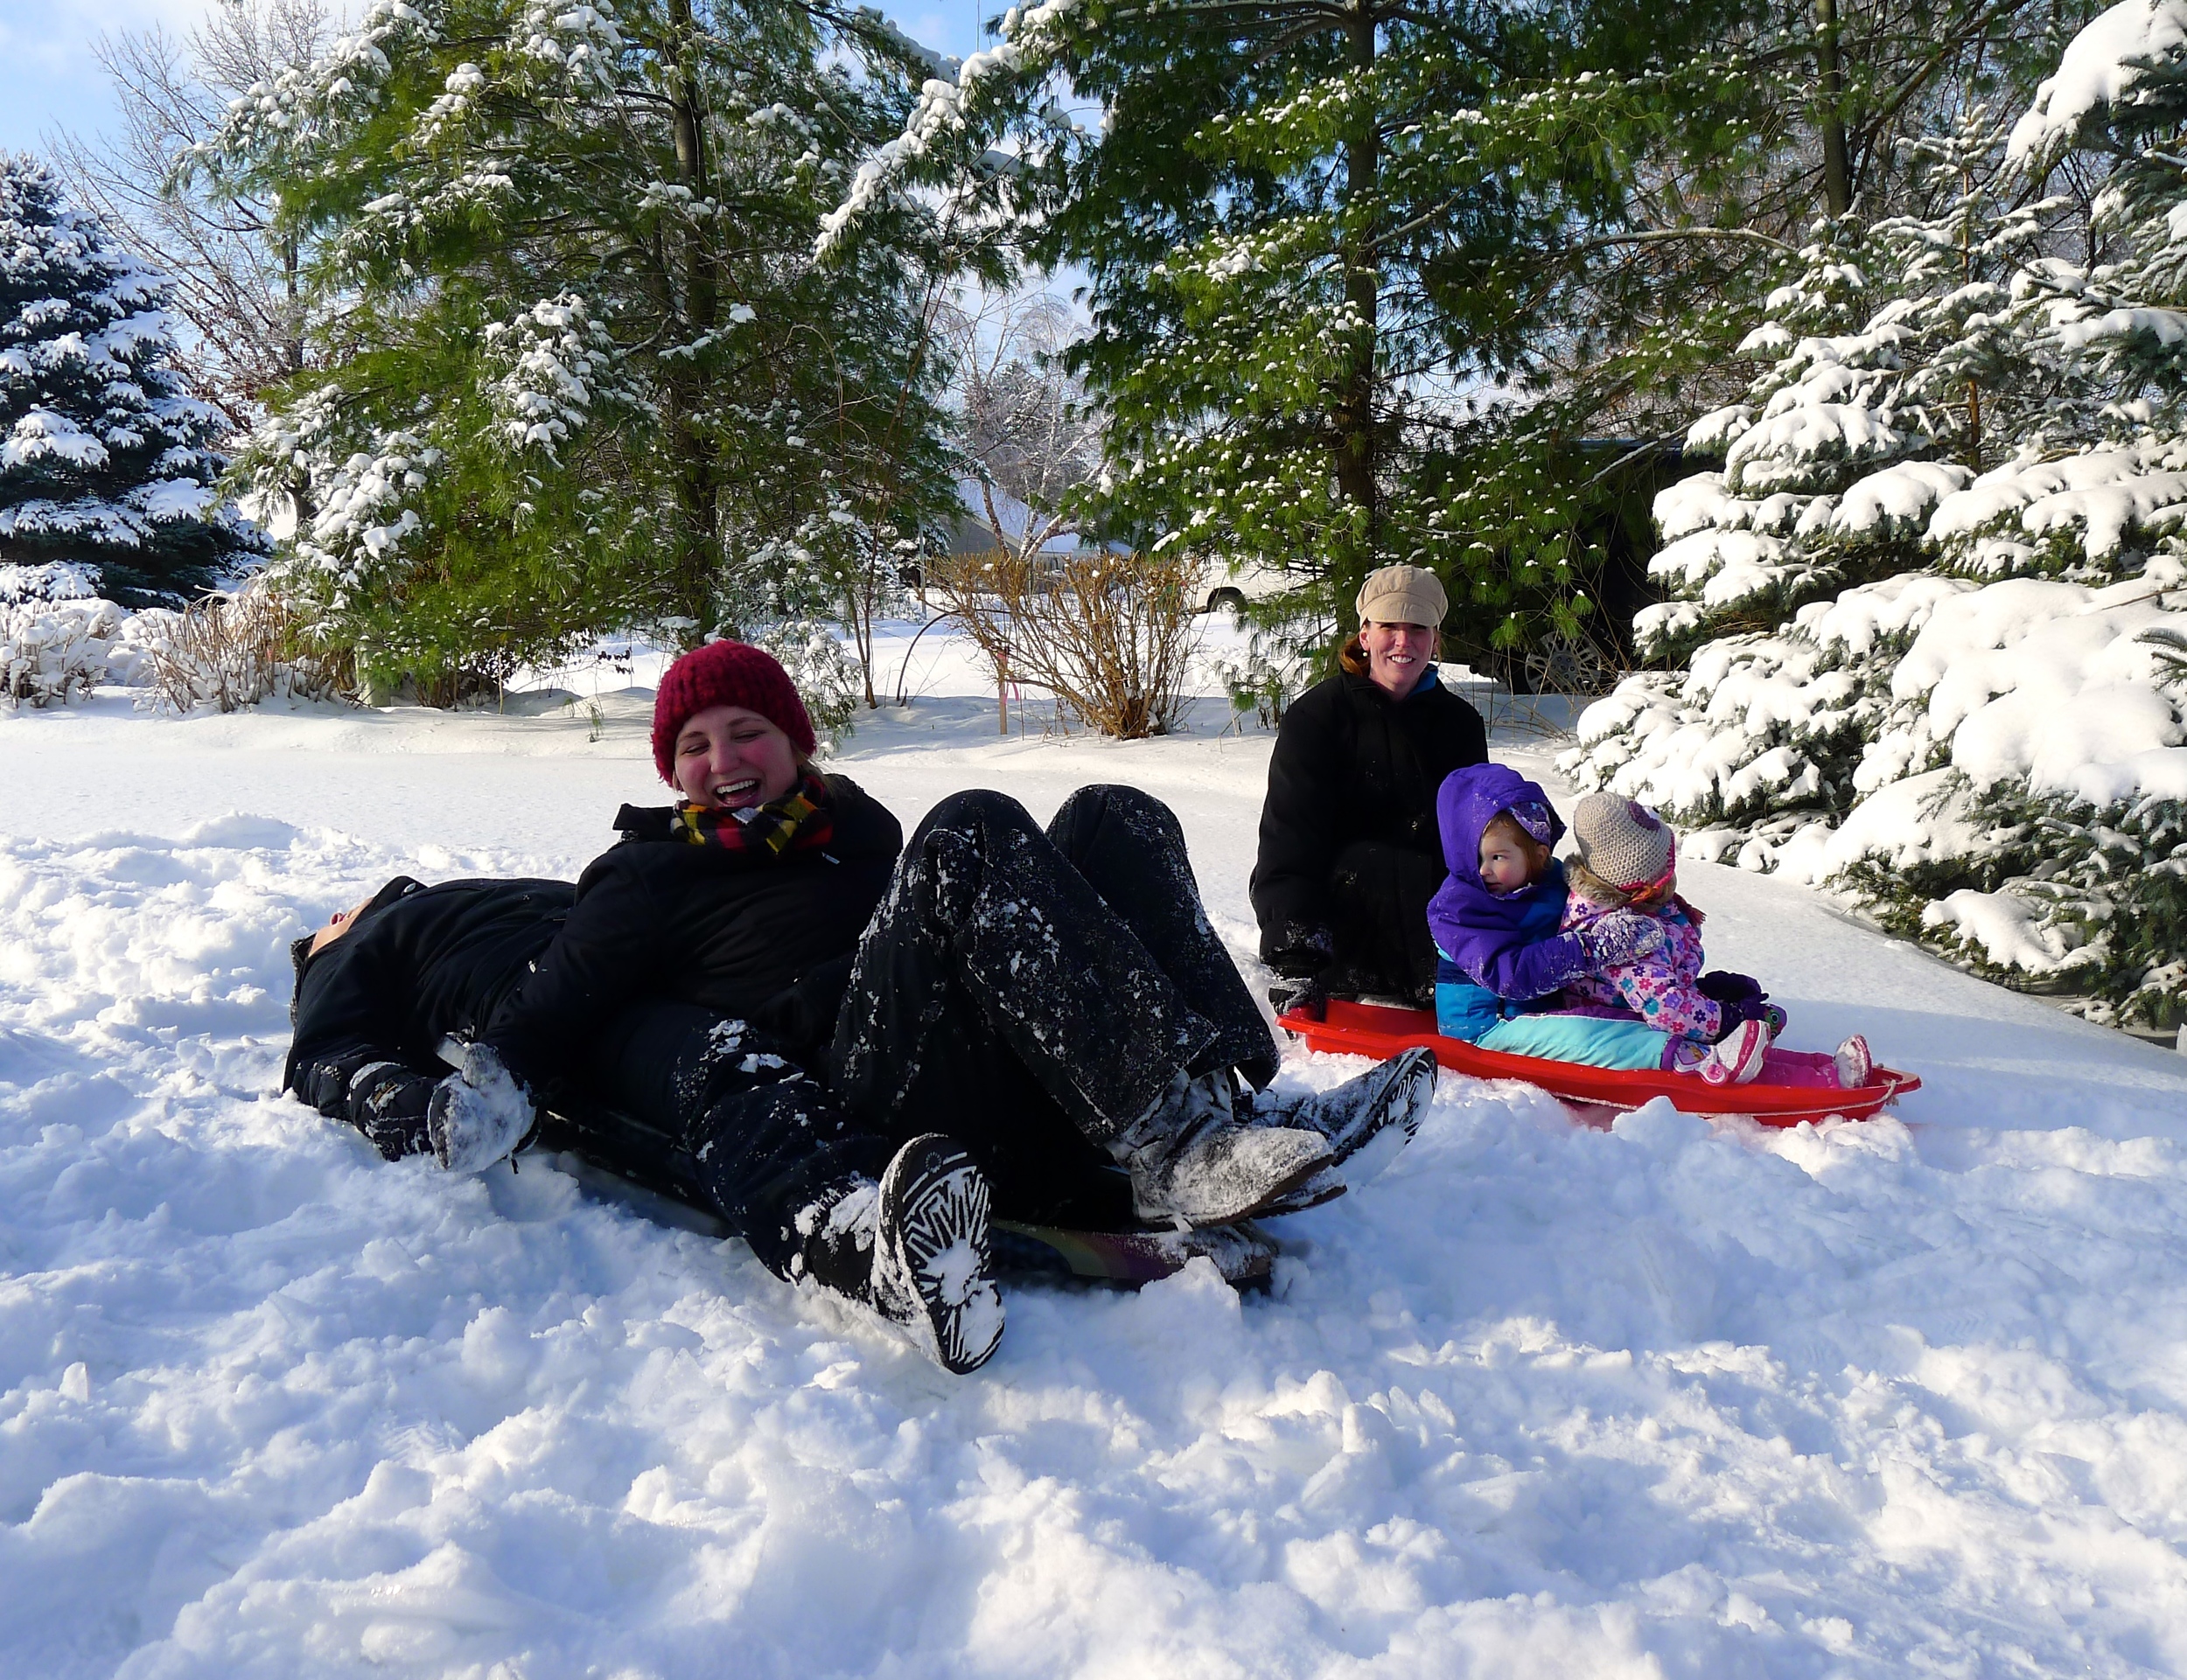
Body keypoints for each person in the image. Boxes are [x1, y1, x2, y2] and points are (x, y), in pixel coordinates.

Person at [287, 640, 1437, 1376]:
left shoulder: (856, 830)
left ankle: (1237, 1097)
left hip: (981, 1056)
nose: (724, 758)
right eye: (694, 744)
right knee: (976, 827)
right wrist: (473, 1093)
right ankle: (1171, 1141)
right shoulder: (644, 879)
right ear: (669, 769)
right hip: (865, 1088)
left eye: (747, 731)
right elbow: (556, 1008)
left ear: (795, 741)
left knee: (1116, 811)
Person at [1426, 765, 1773, 1083]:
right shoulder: (1458, 909)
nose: (1483, 869)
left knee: (1620, 1010)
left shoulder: (1547, 881)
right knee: (1590, 1035)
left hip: (1545, 1007)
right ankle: (1690, 1058)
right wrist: (1593, 947)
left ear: (1538, 854)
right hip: (1488, 1027)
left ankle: (1710, 1016)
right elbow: (1510, 977)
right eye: (1475, 858)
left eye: (1497, 857)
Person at [1253, 562, 1487, 1015]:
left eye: (1417, 628)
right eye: (1389, 627)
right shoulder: (1318, 717)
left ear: (1435, 640)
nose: (1403, 642)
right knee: (1372, 861)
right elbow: (1289, 841)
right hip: (1343, 917)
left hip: (1432, 924)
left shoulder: (1460, 725)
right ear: (1364, 635)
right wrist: (1297, 957)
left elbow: (1476, 844)